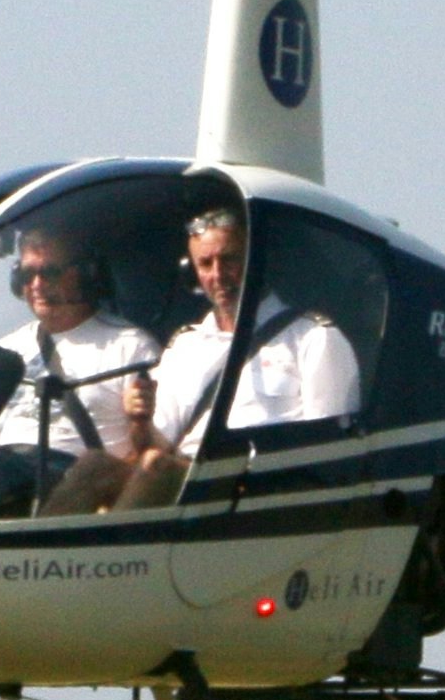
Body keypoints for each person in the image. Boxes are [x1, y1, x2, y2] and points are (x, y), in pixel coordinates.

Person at [117, 205, 361, 508]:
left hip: (259, 489)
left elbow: (330, 451)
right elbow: (157, 444)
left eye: (229, 259)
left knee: (155, 466)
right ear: (192, 273)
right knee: (94, 467)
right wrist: (139, 421)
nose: (218, 275)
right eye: (206, 264)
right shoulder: (185, 346)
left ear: (256, 261)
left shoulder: (313, 338)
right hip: (186, 479)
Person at [0, 223, 161, 516]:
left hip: (72, 477)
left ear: (85, 276)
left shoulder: (131, 347)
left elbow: (154, 451)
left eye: (49, 272)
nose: (37, 284)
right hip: (1, 475)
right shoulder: (7, 350)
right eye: (27, 274)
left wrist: (138, 421)